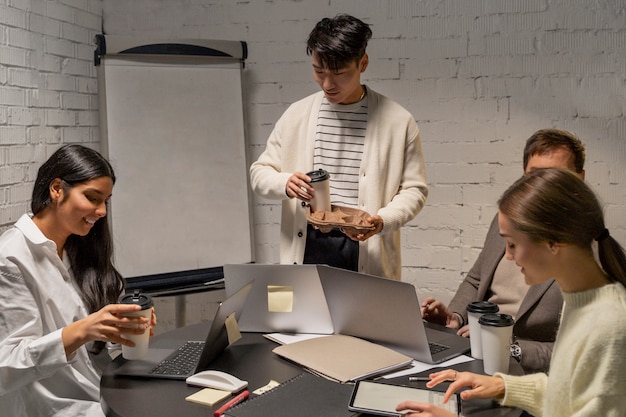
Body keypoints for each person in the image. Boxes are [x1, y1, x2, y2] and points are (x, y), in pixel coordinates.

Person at [397, 168, 626, 417]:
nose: (507, 255)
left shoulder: (610, 326)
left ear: (553, 242)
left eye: (513, 244)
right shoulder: (582, 300)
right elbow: (569, 392)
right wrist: (503, 385)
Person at [249, 14, 428, 280]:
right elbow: (259, 172)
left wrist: (383, 219)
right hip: (306, 243)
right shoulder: (297, 114)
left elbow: (414, 190)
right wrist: (285, 182)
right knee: (301, 319)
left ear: (362, 63)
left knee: (365, 321)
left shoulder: (398, 121)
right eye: (319, 71)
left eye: (339, 73)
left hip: (364, 243)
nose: (327, 84)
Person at [0, 144, 155, 417]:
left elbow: (93, 352)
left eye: (106, 200)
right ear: (57, 189)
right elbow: (7, 365)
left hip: (98, 396)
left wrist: (123, 331)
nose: (102, 211)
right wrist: (83, 330)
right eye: (93, 198)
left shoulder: (75, 250)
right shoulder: (10, 258)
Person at [421, 128, 586, 373]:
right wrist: (455, 318)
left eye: (557, 176)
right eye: (535, 175)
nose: (544, 187)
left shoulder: (589, 254)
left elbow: (578, 352)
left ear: (579, 179)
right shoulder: (505, 222)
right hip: (474, 353)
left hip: (529, 371)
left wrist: (510, 348)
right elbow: (476, 279)